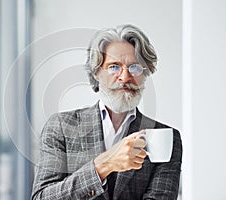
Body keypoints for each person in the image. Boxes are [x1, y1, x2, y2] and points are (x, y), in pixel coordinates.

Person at [31, 24, 182, 200]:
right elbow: (42, 197)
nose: (125, 77)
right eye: (114, 67)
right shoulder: (61, 127)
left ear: (145, 73)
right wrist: (104, 165)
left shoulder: (165, 138)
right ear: (96, 72)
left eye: (134, 67)